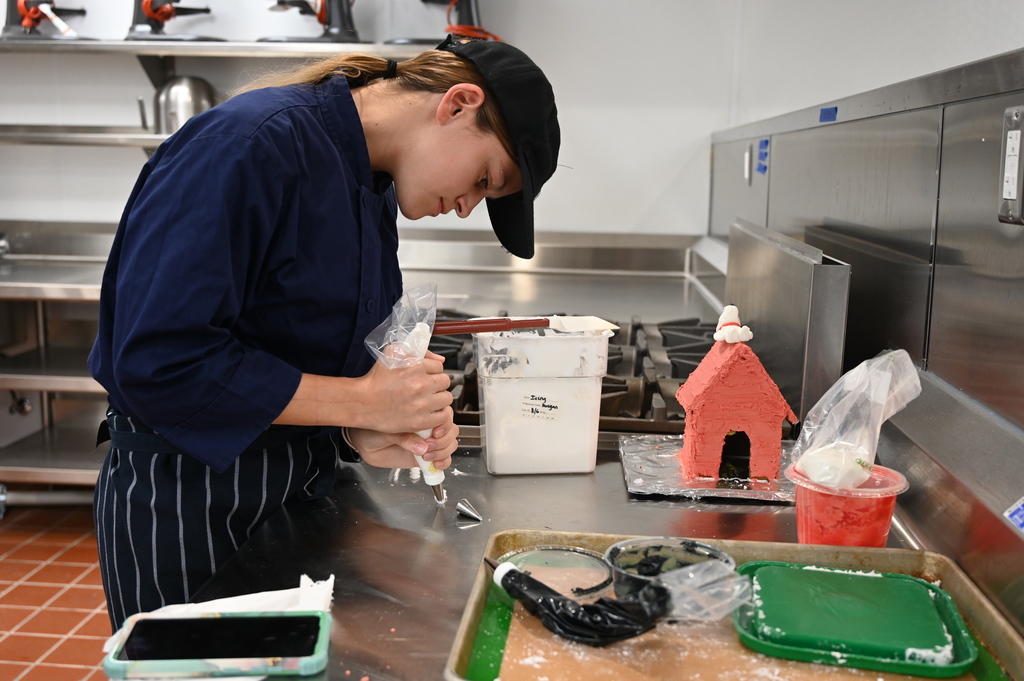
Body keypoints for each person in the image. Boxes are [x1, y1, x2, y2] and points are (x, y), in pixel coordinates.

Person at [88, 34, 560, 630]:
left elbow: (291, 349)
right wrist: (361, 399)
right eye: (485, 179)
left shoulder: (370, 183)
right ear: (459, 103)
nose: (468, 206)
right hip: (190, 506)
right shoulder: (250, 145)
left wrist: (362, 429)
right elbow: (158, 361)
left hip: (292, 494)